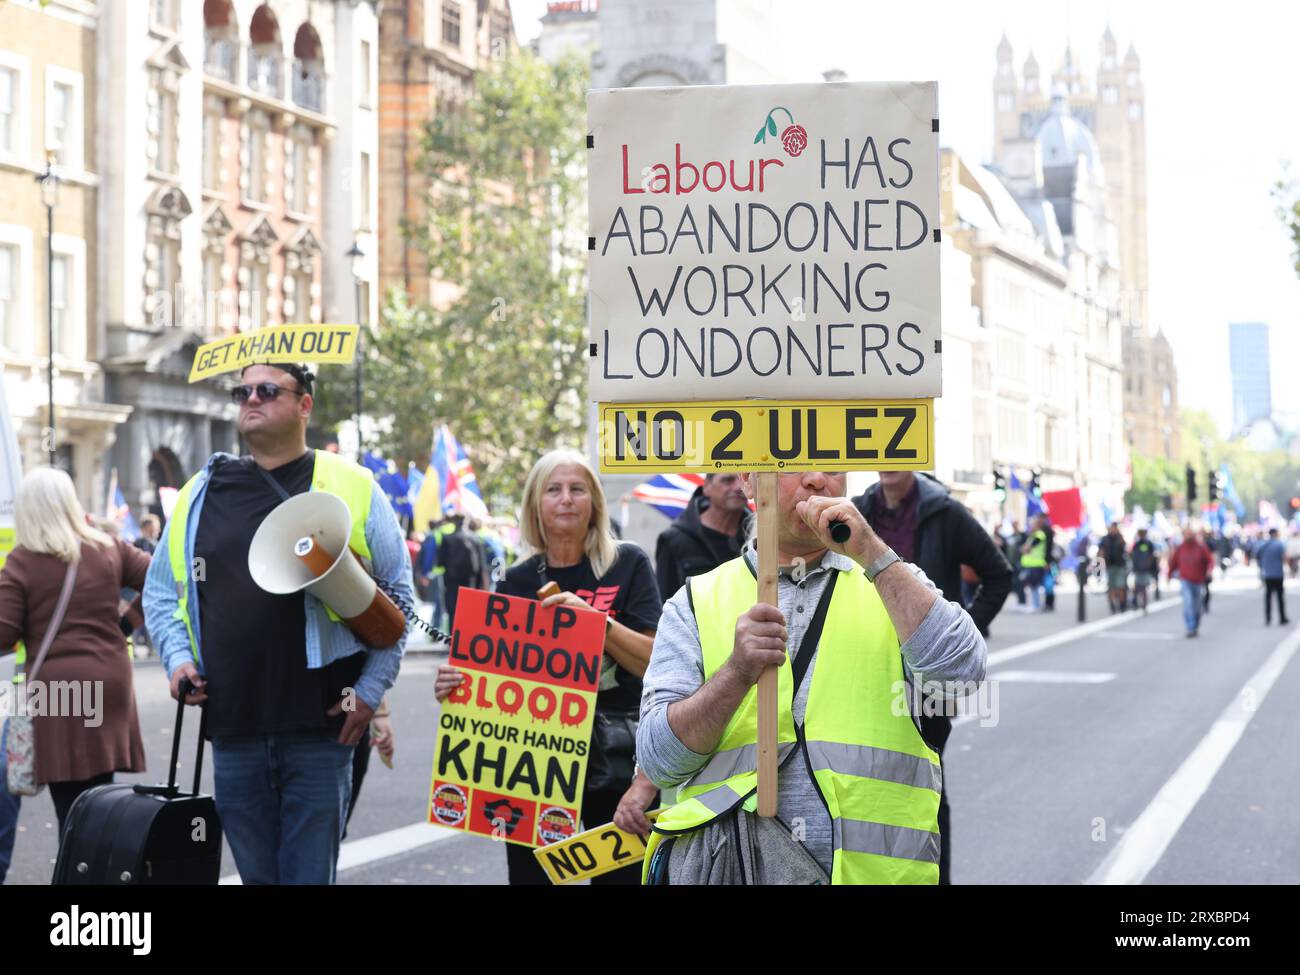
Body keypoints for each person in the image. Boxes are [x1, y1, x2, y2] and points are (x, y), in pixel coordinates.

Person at [638, 470, 987, 885]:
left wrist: (873, 553)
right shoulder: (696, 601)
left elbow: (962, 675)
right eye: (793, 462)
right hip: (737, 870)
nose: (818, 479)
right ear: (748, 482)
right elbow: (660, 762)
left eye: (832, 463)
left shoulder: (890, 580)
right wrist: (734, 674)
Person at [143, 362, 412, 885]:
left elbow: (400, 601)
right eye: (242, 391)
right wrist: (178, 661)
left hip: (321, 730)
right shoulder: (201, 491)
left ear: (305, 404)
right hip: (235, 729)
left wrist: (369, 692)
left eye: (267, 390)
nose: (251, 399)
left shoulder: (353, 485)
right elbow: (159, 593)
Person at [434, 449, 663, 884]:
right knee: (530, 878)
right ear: (535, 504)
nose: (566, 499)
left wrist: (598, 624)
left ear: (594, 501)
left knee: (623, 878)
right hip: (533, 762)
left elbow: (654, 661)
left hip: (616, 754)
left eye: (578, 489)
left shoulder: (628, 564)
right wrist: (456, 684)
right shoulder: (513, 580)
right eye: (553, 490)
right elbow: (492, 678)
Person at [853, 470, 1010, 884]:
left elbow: (999, 573)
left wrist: (963, 632)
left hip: (927, 674)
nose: (889, 463)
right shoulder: (861, 508)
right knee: (866, 774)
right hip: (870, 663)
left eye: (897, 453)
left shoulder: (945, 513)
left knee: (926, 778)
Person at [0, 467, 150, 841]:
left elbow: (3, 635)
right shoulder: (109, 547)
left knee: (72, 810)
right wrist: (127, 624)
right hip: (112, 679)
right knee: (101, 795)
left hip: (60, 692)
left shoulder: (23, 561)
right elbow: (162, 579)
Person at [654, 473, 749, 600]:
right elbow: (665, 600)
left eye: (743, 480)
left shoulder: (760, 535)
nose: (738, 487)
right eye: (727, 480)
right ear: (707, 487)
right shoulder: (674, 539)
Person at [437, 514, 485, 629]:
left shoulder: (447, 538)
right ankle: (466, 637)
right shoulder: (475, 539)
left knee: (453, 609)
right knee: (469, 610)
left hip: (452, 580)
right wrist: (481, 583)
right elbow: (481, 564)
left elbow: (440, 562)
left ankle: (453, 638)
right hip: (471, 580)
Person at [1167, 528, 1215, 638]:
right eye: (1186, 535)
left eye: (1190, 535)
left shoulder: (1201, 547)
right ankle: (1190, 627)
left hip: (1198, 581)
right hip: (1185, 580)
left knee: (1197, 606)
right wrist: (1169, 576)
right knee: (1188, 604)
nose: (1189, 537)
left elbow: (1210, 561)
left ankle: (1196, 624)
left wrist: (1209, 570)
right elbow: (1173, 563)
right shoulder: (1180, 548)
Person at [1256, 527, 1288, 625]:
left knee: (1268, 597)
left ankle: (1268, 618)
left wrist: (1262, 565)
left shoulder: (1263, 545)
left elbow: (1257, 556)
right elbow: (1284, 558)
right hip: (1278, 574)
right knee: (1280, 597)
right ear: (1276, 534)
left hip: (1267, 574)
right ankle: (1282, 618)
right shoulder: (1279, 544)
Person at [1018, 514, 1049, 612]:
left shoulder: (1039, 535)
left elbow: (1027, 548)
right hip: (1030, 564)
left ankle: (1036, 605)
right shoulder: (1032, 536)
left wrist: (1025, 548)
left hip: (1036, 564)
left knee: (1035, 585)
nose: (1030, 527)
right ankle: (1036, 604)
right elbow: (1023, 549)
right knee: (1032, 585)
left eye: (1032, 525)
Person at [1099, 522, 1129, 614]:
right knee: (1111, 587)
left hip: (1120, 565)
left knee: (1120, 586)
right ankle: (1112, 605)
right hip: (1109, 565)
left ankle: (1122, 604)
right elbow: (1101, 552)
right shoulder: (1104, 539)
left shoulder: (1120, 538)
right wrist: (1100, 567)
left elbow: (1125, 552)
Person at [1130, 527, 1159, 613]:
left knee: (1143, 587)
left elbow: (1151, 556)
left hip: (1145, 569)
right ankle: (1137, 603)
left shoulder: (1148, 544)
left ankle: (1144, 605)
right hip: (1138, 568)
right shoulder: (1137, 544)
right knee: (1137, 587)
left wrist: (1148, 565)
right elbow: (1133, 555)